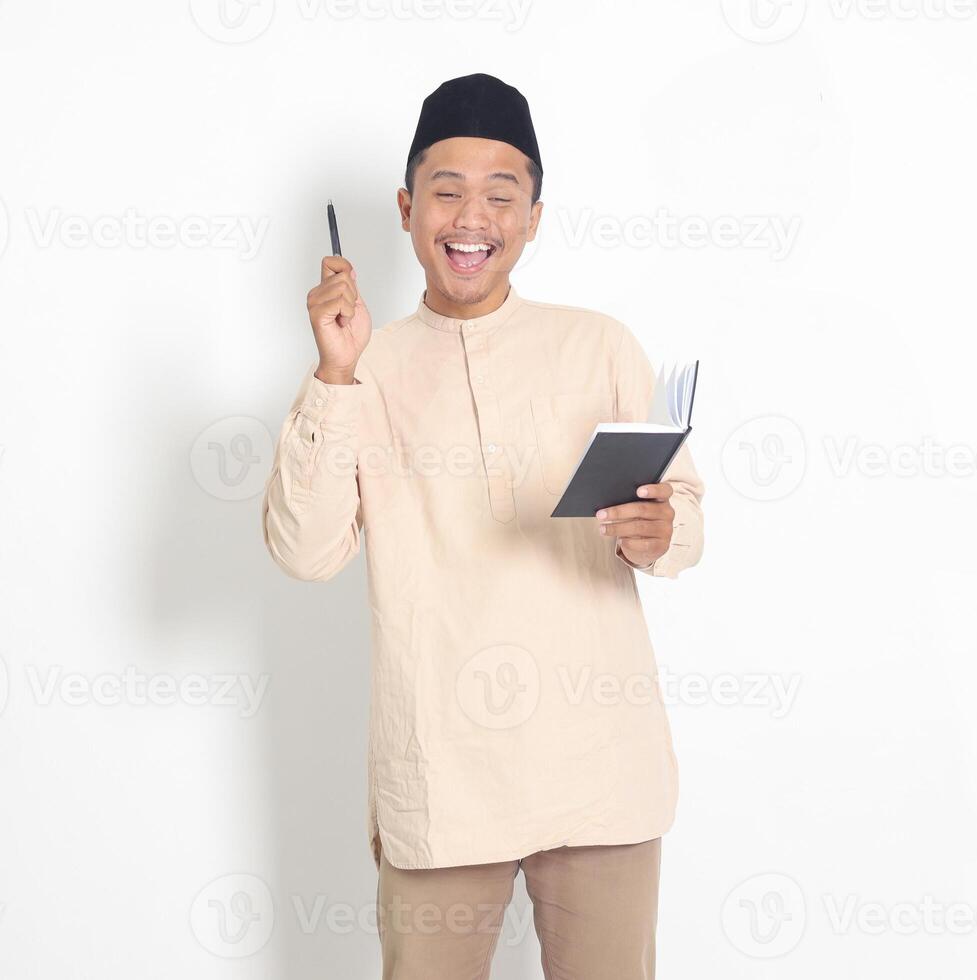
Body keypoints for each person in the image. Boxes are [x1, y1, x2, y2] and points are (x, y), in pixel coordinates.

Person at [261, 73, 705, 980]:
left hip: (599, 775)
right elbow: (305, 552)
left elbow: (684, 517)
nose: (473, 217)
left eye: (502, 195)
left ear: (534, 215)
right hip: (442, 778)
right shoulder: (359, 367)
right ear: (406, 206)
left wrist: (663, 533)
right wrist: (335, 374)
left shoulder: (600, 345)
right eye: (448, 190)